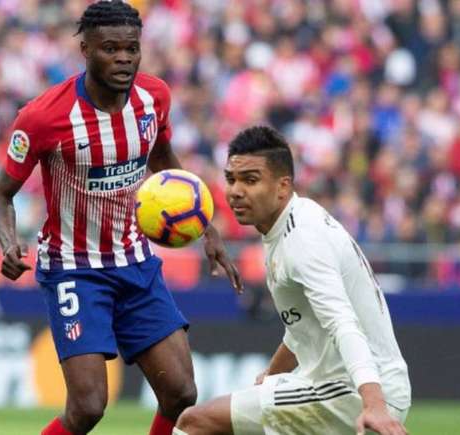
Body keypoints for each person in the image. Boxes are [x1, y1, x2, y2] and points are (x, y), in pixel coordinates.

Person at [0, 2, 242, 434]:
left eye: (131, 48)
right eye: (110, 48)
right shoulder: (44, 117)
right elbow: (0, 196)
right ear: (85, 49)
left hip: (135, 263)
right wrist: (8, 243)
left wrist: (207, 228)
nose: (123, 58)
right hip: (74, 267)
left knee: (181, 393)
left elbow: (164, 161)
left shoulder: (153, 98)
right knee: (87, 408)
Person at [173, 126, 410, 435]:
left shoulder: (302, 240)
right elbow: (304, 327)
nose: (236, 191)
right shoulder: (288, 223)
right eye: (231, 179)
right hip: (352, 388)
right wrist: (272, 374)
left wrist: (374, 404)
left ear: (283, 186)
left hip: (350, 393)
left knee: (195, 422)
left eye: (251, 180)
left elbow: (342, 322)